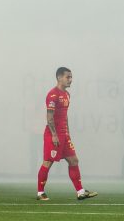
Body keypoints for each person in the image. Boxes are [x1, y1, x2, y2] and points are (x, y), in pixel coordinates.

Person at [37, 67, 98, 201]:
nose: (71, 80)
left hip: (64, 134)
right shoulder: (53, 95)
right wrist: (54, 135)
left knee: (74, 160)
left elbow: (65, 116)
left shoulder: (67, 94)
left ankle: (80, 192)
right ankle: (40, 193)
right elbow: (49, 117)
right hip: (53, 134)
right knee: (48, 162)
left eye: (71, 77)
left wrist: (67, 132)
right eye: (68, 77)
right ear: (59, 78)